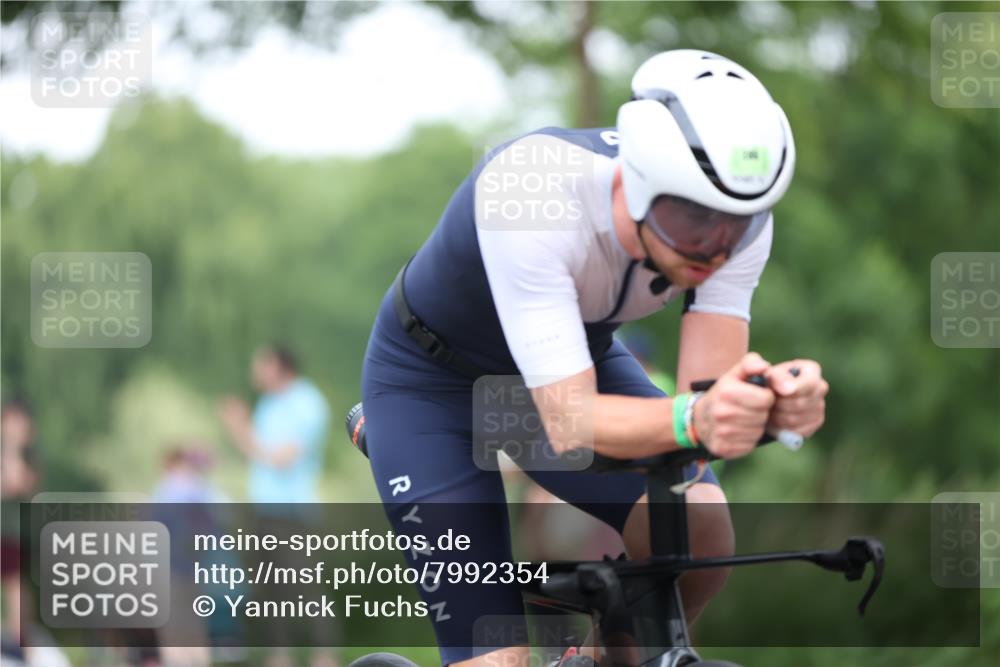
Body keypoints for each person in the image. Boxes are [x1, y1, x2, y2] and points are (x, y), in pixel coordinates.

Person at [360, 50, 828, 667]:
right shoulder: (531, 192)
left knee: (703, 525)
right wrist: (697, 418)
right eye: (691, 222)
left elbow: (704, 411)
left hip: (567, 371)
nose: (713, 252)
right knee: (498, 658)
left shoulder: (737, 221)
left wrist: (768, 408)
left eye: (734, 227)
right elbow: (575, 421)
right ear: (637, 181)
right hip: (431, 388)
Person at [219, 344, 337, 667]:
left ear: (279, 367)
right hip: (263, 509)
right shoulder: (268, 404)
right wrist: (239, 428)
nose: (255, 369)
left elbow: (283, 459)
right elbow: (255, 453)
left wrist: (240, 428)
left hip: (293, 511)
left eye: (261, 363)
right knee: (268, 588)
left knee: (304, 584)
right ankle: (279, 656)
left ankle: (325, 656)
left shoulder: (307, 403)